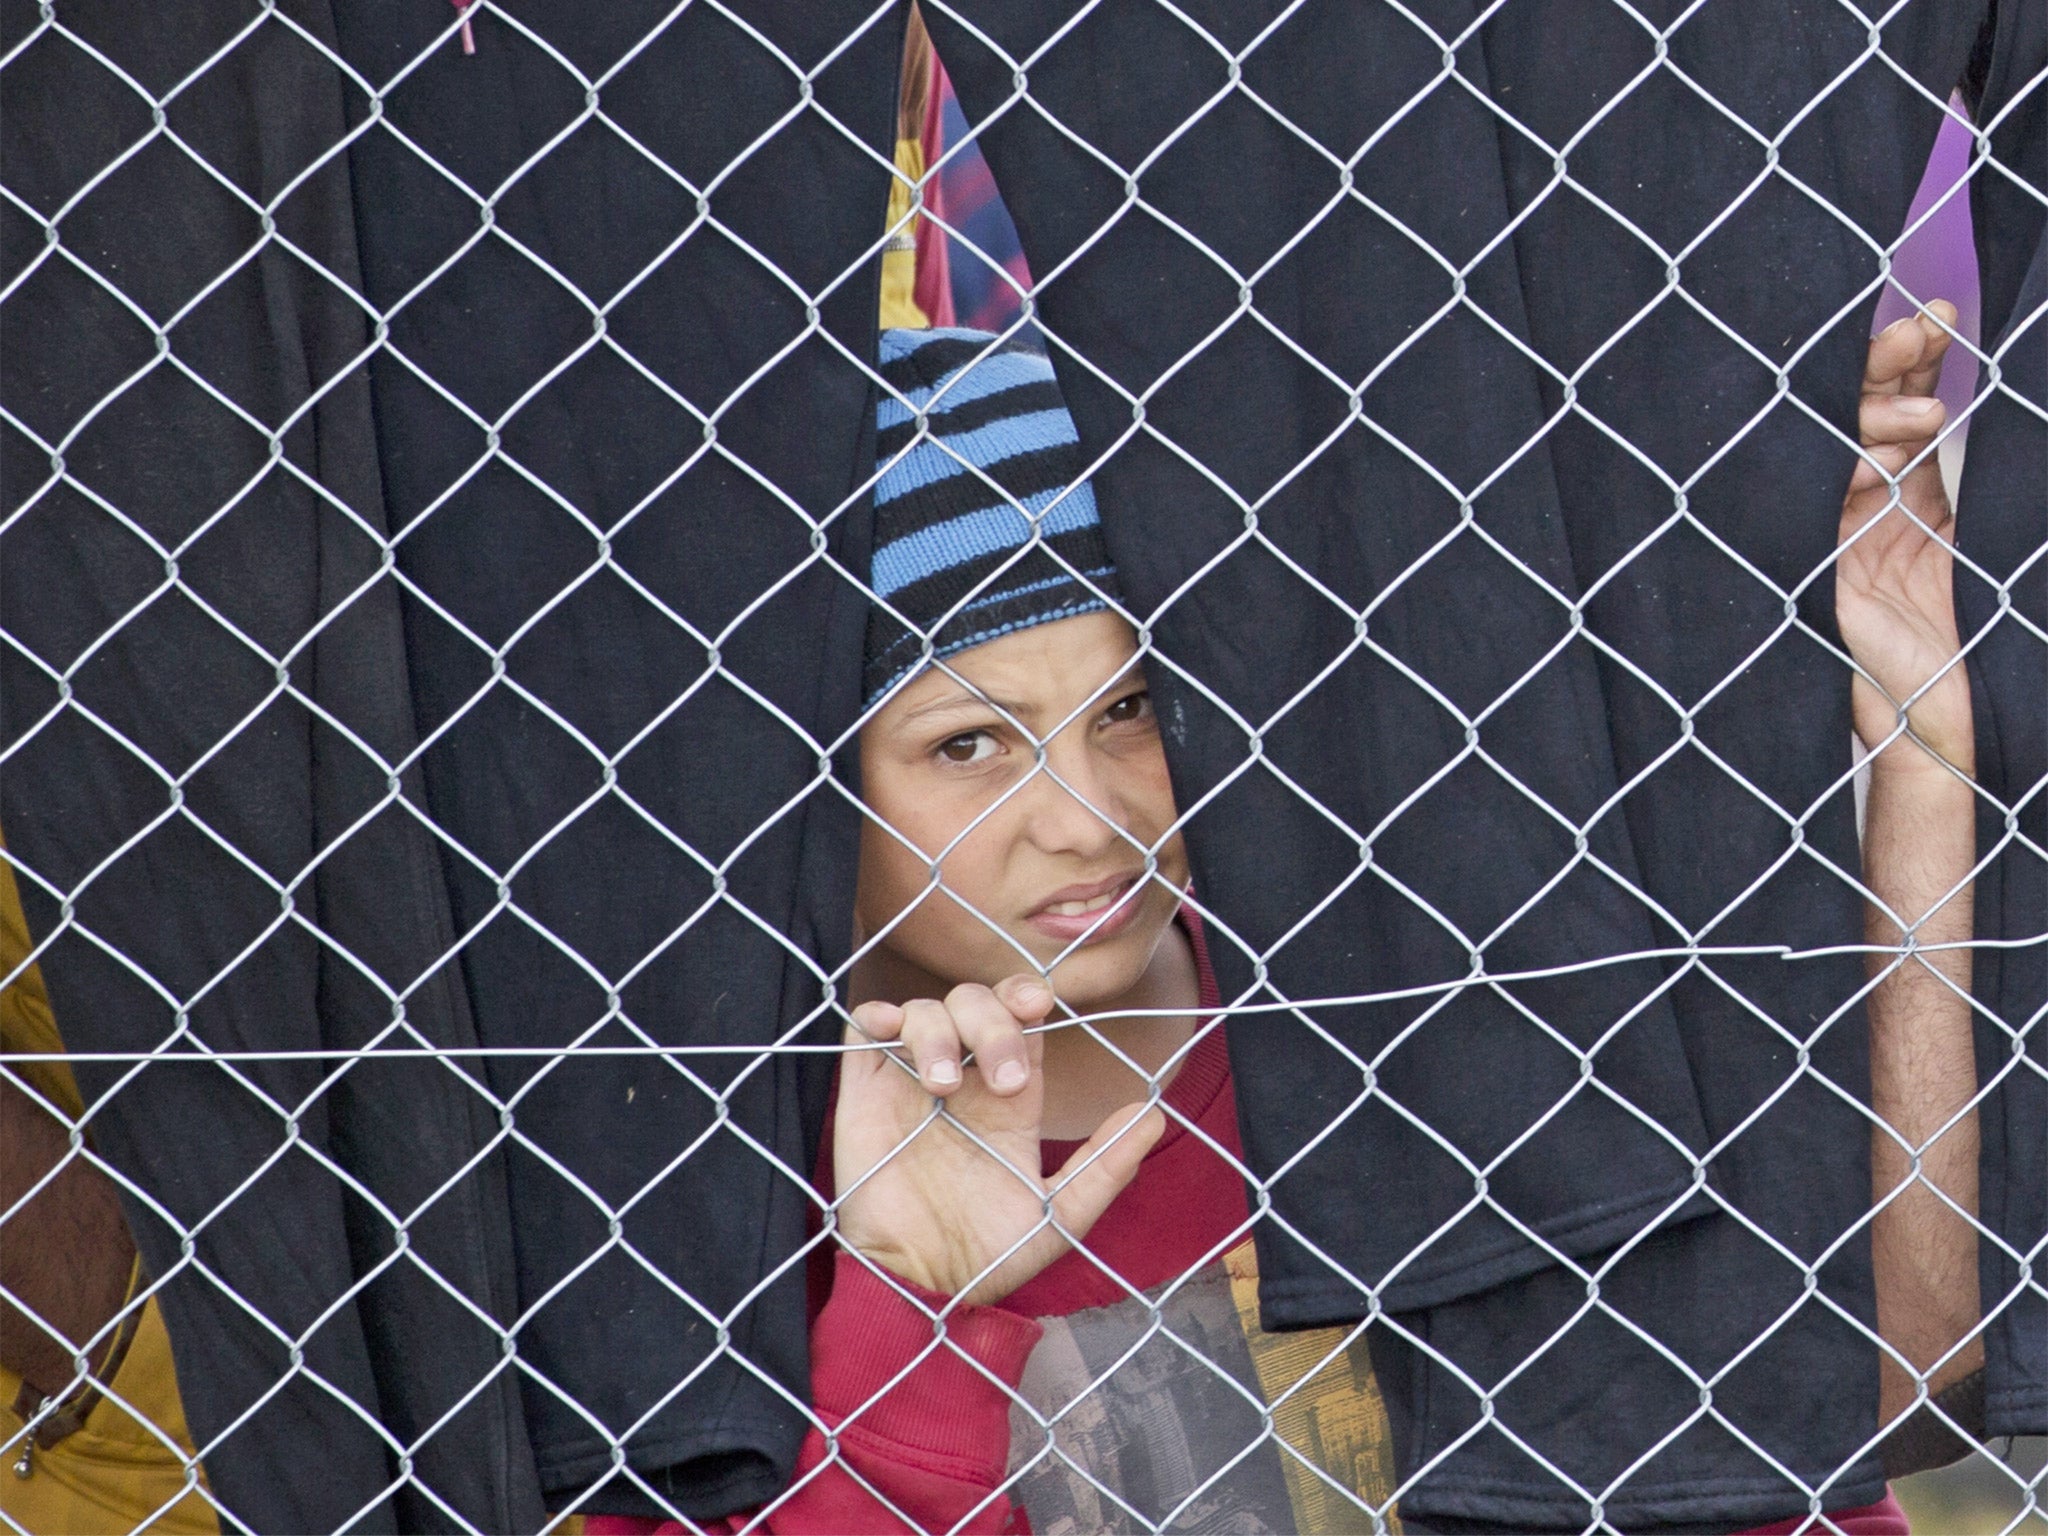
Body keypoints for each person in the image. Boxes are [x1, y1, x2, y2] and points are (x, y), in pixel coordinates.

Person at [598, 309, 1978, 1535]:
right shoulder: (694, 1191)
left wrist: (1921, 773)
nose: (1089, 819)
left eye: (1133, 709)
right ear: (794, 787)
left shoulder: (1422, 1017)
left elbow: (1852, 1391)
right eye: (968, 745)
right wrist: (913, 1306)